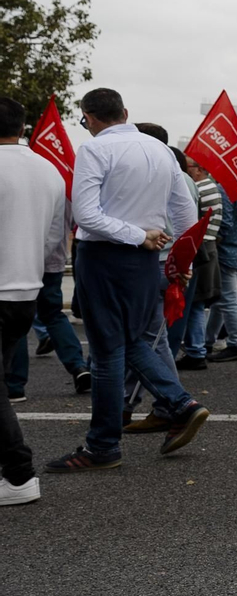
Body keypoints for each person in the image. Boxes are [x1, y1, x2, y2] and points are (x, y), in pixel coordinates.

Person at [48, 89, 209, 472]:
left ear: (88, 117)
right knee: (132, 339)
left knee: (106, 351)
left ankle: (103, 445)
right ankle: (179, 403)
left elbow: (86, 215)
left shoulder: (94, 150)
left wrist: (138, 234)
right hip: (146, 259)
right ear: (124, 112)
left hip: (106, 256)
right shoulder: (158, 150)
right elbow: (186, 211)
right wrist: (179, 260)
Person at [0, 96, 66, 505]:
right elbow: (54, 240)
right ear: (22, 127)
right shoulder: (50, 171)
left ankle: (20, 475)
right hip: (25, 289)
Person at [5, 192, 88, 400]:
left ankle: (14, 384)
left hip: (24, 259)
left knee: (15, 317)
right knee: (53, 314)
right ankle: (78, 366)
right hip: (54, 259)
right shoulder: (61, 181)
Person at [173, 155, 224, 370]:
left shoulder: (201, 188)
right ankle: (197, 348)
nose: (188, 169)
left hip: (202, 248)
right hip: (208, 248)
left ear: (199, 169)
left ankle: (195, 350)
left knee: (193, 303)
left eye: (190, 166)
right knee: (196, 303)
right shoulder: (209, 187)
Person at [204, 187, 237, 363]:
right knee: (222, 299)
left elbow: (224, 223)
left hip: (227, 250)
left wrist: (214, 240)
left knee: (229, 299)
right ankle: (208, 340)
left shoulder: (225, 190)